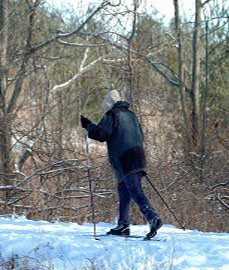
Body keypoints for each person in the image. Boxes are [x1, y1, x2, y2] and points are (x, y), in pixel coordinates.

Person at [80, 90, 162, 239]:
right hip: (138, 155)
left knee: (134, 190)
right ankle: (123, 225)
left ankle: (152, 217)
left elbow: (101, 134)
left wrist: (88, 125)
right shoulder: (132, 115)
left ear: (109, 103)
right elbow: (141, 136)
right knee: (124, 191)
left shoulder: (112, 115)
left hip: (125, 158)